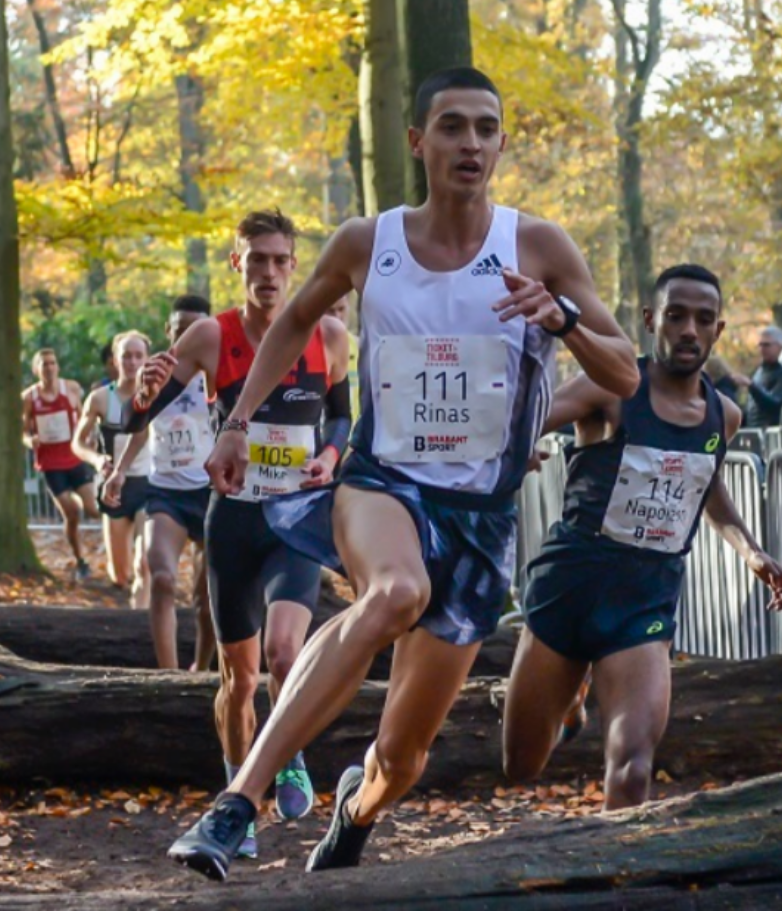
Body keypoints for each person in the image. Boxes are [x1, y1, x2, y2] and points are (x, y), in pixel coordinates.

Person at [164, 68, 639, 880]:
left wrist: (559, 317)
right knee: (394, 592)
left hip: (481, 515)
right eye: (452, 127)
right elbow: (296, 323)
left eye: (486, 128)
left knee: (403, 755)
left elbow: (625, 371)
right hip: (383, 483)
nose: (471, 143)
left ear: (500, 144)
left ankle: (355, 811)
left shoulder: (539, 246)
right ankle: (236, 801)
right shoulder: (366, 241)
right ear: (418, 141)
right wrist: (237, 421)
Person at [499, 265, 782, 810]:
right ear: (650, 320)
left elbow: (705, 486)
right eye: (676, 316)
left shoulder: (722, 416)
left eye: (703, 320)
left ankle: (617, 885)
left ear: (718, 330)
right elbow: (524, 421)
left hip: (643, 601)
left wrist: (751, 551)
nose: (689, 330)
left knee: (633, 764)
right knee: (521, 763)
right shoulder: (608, 389)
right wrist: (520, 447)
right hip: (569, 587)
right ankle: (571, 705)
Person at [123, 209, 353, 863]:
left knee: (286, 651)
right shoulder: (210, 334)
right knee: (239, 678)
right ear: (237, 264)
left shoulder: (328, 335)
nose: (271, 272)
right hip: (235, 522)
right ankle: (236, 797)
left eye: (282, 260)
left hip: (297, 519)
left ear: (295, 267)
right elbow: (141, 413)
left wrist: (329, 460)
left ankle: (289, 754)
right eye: (258, 259)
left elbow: (342, 418)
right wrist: (137, 395)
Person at [107, 295, 217, 669]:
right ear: (168, 332)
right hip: (166, 492)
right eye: (180, 329)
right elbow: (140, 426)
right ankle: (168, 675)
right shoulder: (154, 373)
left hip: (209, 492)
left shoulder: (217, 374)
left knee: (206, 598)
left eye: (197, 328)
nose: (189, 336)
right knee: (163, 578)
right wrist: (120, 470)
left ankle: (200, 670)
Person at [76, 331, 154, 607]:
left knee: (144, 562)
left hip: (149, 484)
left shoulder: (158, 397)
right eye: (126, 356)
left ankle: (139, 618)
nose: (132, 362)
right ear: (115, 360)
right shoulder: (99, 399)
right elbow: (77, 443)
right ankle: (129, 592)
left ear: (147, 360)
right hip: (114, 488)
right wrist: (97, 460)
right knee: (119, 574)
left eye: (138, 356)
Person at [22, 349, 98, 580]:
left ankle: (119, 545)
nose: (49, 368)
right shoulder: (28, 397)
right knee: (72, 513)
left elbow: (86, 415)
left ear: (58, 367)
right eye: (44, 364)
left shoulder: (71, 389)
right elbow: (23, 430)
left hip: (75, 458)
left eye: (53, 363)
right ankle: (80, 560)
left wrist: (90, 436)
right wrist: (29, 441)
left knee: (93, 509)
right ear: (36, 369)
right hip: (51, 464)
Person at [730, 326, 782, 428]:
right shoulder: (759, 371)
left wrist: (751, 386)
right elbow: (752, 408)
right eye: (760, 345)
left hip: (772, 435)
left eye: (766, 345)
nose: (762, 349)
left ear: (780, 346)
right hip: (754, 434)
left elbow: (774, 404)